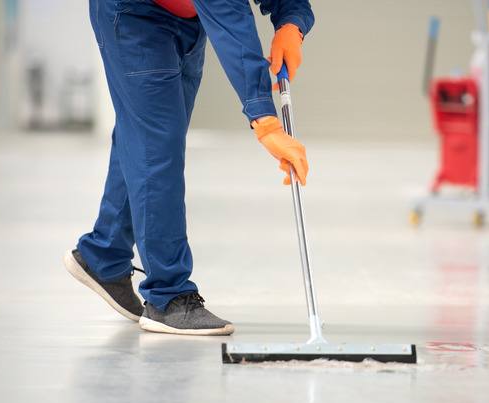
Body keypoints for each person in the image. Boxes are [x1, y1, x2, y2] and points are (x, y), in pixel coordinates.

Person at [64, 0, 314, 335]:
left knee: (148, 139)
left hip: (186, 18)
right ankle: (168, 297)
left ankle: (104, 255)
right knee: (158, 147)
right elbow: (230, 21)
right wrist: (265, 122)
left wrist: (292, 24)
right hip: (133, 15)